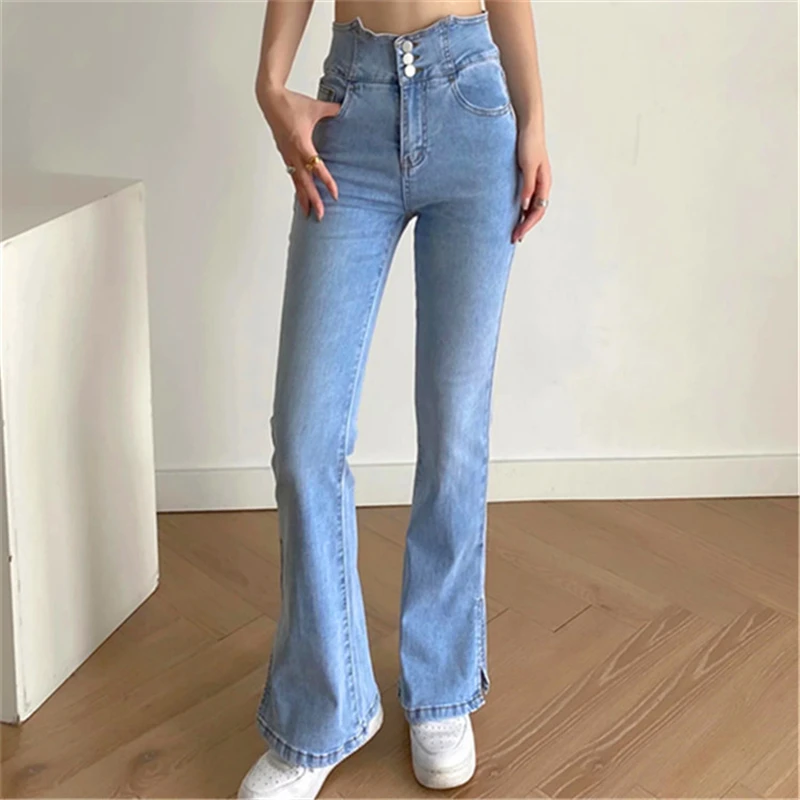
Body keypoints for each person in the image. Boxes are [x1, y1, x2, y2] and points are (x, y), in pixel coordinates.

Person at [239, 1, 551, 797]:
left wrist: (534, 120)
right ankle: (322, 711)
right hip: (351, 109)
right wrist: (270, 85)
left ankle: (441, 688)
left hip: (471, 103)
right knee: (305, 440)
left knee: (455, 426)